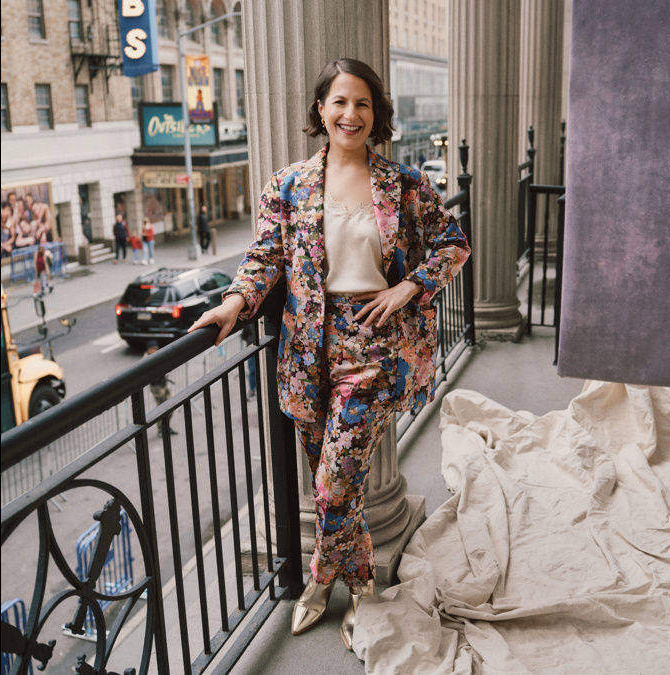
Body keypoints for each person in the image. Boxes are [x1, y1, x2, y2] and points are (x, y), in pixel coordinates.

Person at [187, 58, 470, 652]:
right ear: (321, 109)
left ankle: (340, 582)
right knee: (330, 481)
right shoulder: (287, 185)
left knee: (335, 481)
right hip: (308, 355)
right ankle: (345, 573)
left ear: (376, 114)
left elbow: (453, 244)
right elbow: (264, 259)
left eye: (362, 103)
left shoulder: (403, 183)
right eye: (340, 102)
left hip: (373, 344)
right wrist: (235, 303)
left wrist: (407, 286)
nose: (351, 114)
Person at [144, 340, 178, 436]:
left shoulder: (157, 355)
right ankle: (161, 429)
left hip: (163, 383)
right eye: (152, 349)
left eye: (156, 348)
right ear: (148, 350)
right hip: (157, 386)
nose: (154, 350)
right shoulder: (147, 359)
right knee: (162, 408)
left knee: (171, 406)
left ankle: (166, 426)